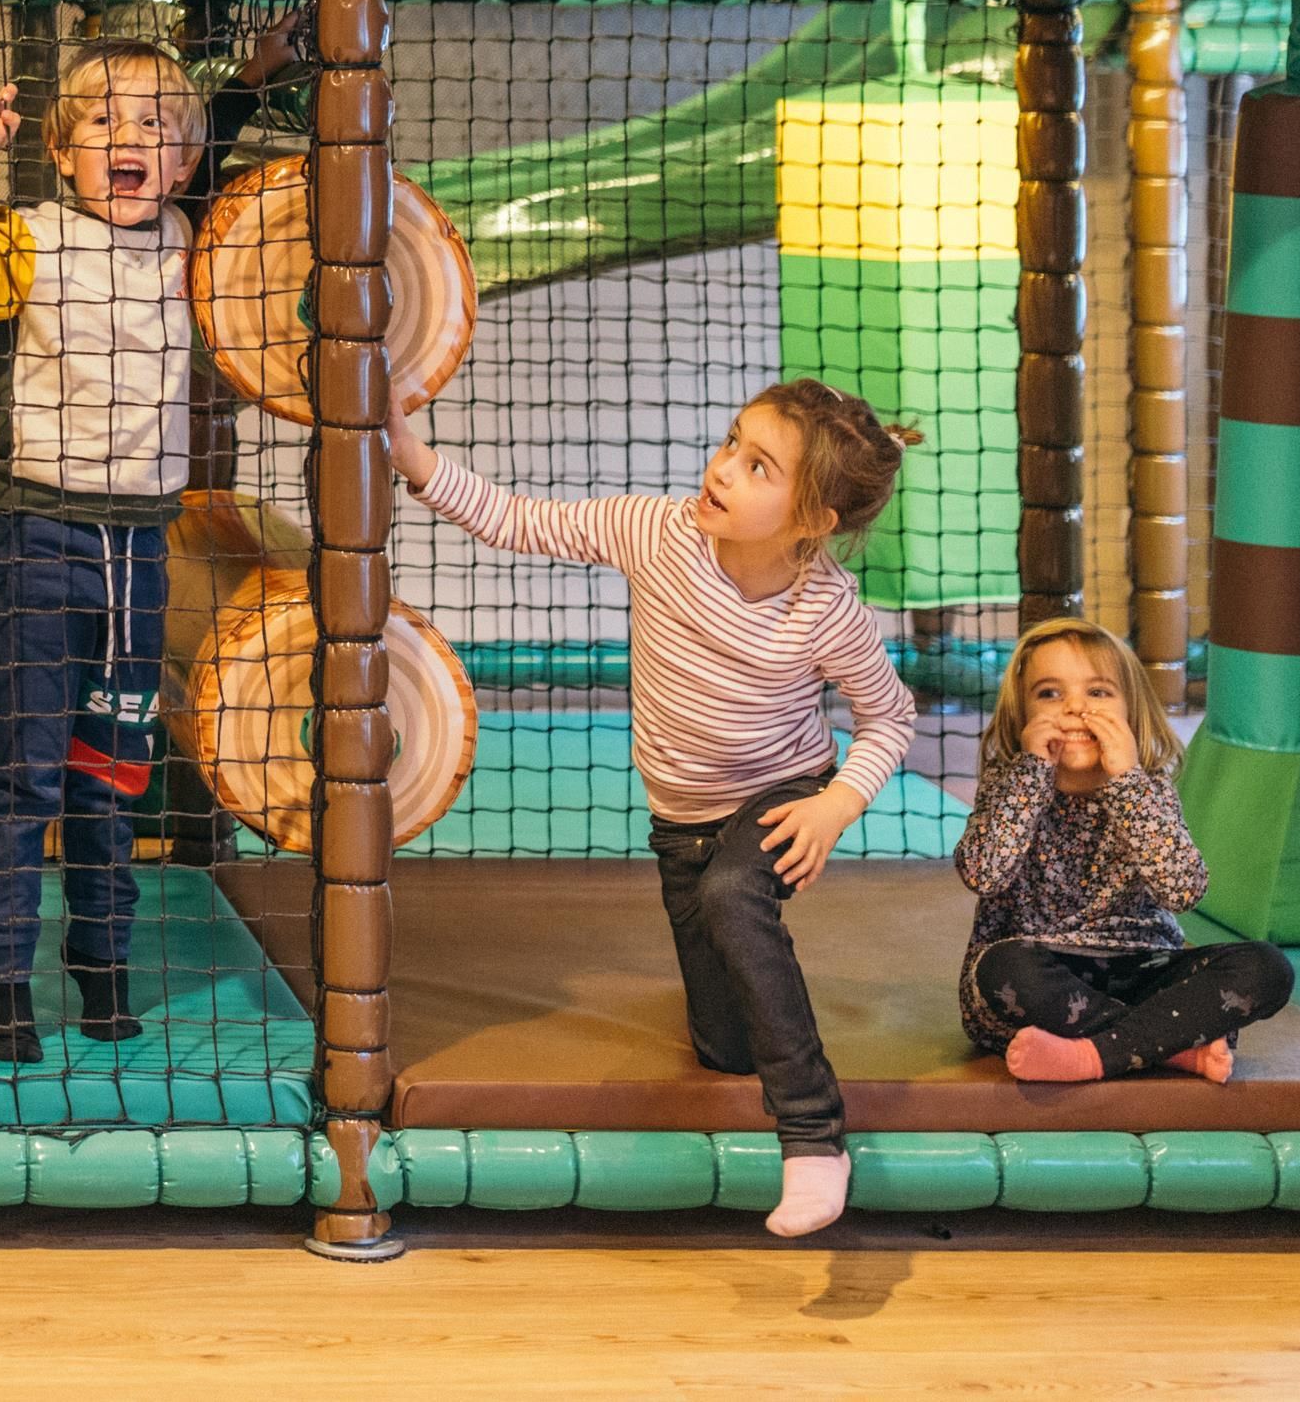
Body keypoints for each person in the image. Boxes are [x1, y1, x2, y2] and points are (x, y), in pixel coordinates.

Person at [387, 378, 918, 1239]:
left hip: (781, 796)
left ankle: (816, 1136)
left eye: (758, 466)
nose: (723, 468)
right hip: (682, 822)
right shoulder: (657, 533)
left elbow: (890, 716)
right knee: (724, 1048)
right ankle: (751, 1014)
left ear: (812, 520)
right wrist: (414, 458)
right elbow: (521, 521)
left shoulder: (827, 611)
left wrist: (836, 805)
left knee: (734, 896)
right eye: (732, 443)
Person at [0, 39, 210, 1064]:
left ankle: (102, 963)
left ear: (183, 162)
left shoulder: (194, 244)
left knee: (112, 771)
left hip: (139, 549)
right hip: (36, 535)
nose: (129, 138)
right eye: (103, 121)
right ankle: (3, 985)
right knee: (23, 775)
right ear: (62, 149)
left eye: (155, 126)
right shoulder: (31, 238)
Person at [957, 618, 1292, 1085]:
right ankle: (1169, 1049)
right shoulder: (1009, 783)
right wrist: (1032, 773)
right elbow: (983, 874)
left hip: (1142, 969)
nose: (1075, 707)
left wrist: (1127, 782)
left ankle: (1095, 1054)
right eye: (1050, 693)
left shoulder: (1146, 786)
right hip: (1041, 977)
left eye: (1098, 692)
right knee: (1004, 970)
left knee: (1266, 967)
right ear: (1023, 716)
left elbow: (1183, 890)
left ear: (1131, 713)